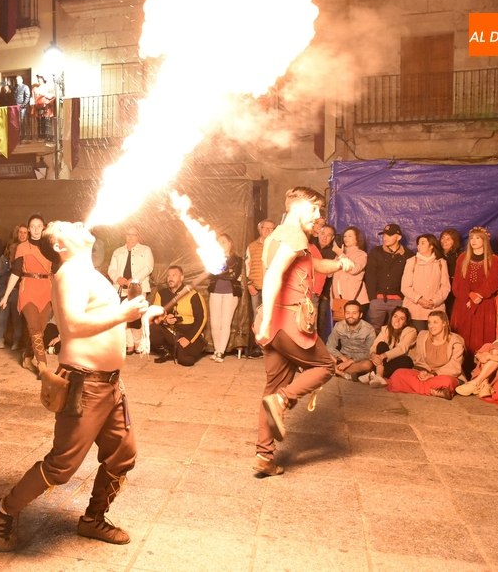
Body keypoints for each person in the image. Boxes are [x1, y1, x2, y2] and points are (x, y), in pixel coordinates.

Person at [0, 220, 163, 552]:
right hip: (84, 385)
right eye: (67, 227)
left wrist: (139, 312)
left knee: (122, 455)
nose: (78, 224)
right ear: (59, 246)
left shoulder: (91, 273)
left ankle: (93, 519)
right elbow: (70, 326)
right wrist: (122, 315)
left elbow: (104, 319)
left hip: (111, 386)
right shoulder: (68, 274)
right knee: (61, 466)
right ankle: (2, 510)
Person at [253, 187, 355, 477]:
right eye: (314, 210)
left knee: (271, 389)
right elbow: (272, 276)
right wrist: (268, 319)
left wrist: (338, 264)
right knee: (325, 365)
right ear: (297, 209)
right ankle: (283, 401)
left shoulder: (280, 236)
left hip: (274, 327)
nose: (319, 217)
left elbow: (313, 264)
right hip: (287, 321)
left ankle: (264, 456)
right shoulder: (294, 235)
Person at [1, 214, 52, 373]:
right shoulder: (22, 247)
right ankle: (43, 366)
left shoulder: (50, 246)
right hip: (28, 288)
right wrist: (6, 295)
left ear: (43, 228)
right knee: (34, 326)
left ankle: (27, 358)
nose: (36, 229)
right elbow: (16, 273)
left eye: (39, 226)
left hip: (46, 288)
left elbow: (57, 270)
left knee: (40, 330)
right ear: (29, 229)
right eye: (33, 226)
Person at [384, 311, 465, 399]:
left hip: (445, 375)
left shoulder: (456, 341)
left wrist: (434, 375)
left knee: (447, 381)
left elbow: (455, 366)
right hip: (427, 374)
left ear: (444, 323)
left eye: (435, 322)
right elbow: (419, 360)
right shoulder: (423, 336)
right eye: (429, 322)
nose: (431, 326)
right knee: (398, 374)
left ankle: (420, 388)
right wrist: (423, 372)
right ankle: (433, 391)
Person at [450, 227, 498, 363]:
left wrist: (478, 295)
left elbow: (495, 281)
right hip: (464, 303)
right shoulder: (462, 258)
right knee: (462, 336)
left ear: (484, 241)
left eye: (477, 238)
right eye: (471, 238)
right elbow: (457, 284)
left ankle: (479, 370)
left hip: (483, 304)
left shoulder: (493, 259)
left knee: (480, 337)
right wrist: (468, 297)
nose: (473, 241)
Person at [107, 226, 154, 354]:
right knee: (123, 315)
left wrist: (134, 279)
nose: (130, 237)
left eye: (134, 234)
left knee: (136, 315)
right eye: (128, 234)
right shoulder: (118, 252)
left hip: (138, 287)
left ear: (139, 236)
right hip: (120, 287)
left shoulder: (145, 250)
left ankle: (138, 342)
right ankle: (129, 344)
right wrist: (118, 278)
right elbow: (111, 269)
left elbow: (148, 267)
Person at [149, 265, 208, 366]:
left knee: (186, 361)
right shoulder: (161, 294)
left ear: (182, 278)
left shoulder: (193, 295)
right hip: (172, 332)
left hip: (189, 331)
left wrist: (188, 338)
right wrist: (165, 320)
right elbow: (154, 314)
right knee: (153, 327)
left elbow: (201, 319)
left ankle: (185, 349)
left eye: (174, 275)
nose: (170, 278)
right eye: (168, 276)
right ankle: (168, 351)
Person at [365, 224, 414, 333]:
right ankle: (373, 350)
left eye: (390, 235)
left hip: (398, 301)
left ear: (399, 237)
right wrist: (373, 297)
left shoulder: (408, 255)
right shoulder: (375, 252)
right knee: (373, 330)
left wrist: (402, 297)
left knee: (396, 330)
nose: (385, 238)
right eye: (384, 235)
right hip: (378, 299)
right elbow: (370, 275)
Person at [401, 233, 451, 331]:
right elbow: (405, 287)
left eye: (423, 243)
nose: (419, 246)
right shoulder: (411, 262)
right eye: (418, 243)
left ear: (431, 246)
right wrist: (419, 300)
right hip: (415, 310)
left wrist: (434, 301)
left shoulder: (441, 263)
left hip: (435, 310)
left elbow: (445, 287)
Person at [207, 234, 244, 362]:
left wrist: (222, 272)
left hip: (230, 293)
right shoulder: (212, 258)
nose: (221, 244)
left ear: (230, 243)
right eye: (219, 242)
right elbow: (212, 273)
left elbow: (234, 276)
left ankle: (221, 352)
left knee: (225, 323)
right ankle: (217, 350)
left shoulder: (237, 260)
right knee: (215, 324)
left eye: (223, 242)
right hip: (215, 292)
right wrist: (226, 271)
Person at [325, 300, 376, 382]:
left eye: (354, 313)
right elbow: (330, 346)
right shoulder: (339, 326)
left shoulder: (368, 329)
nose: (350, 316)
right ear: (344, 314)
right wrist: (342, 358)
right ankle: (344, 374)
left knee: (367, 365)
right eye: (348, 313)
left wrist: (351, 361)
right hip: (341, 358)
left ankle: (335, 370)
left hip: (358, 360)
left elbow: (369, 352)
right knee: (322, 352)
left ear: (360, 315)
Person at [367, 306, 417, 388]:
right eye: (395, 316)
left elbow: (401, 348)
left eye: (402, 318)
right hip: (385, 362)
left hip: (400, 360)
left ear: (405, 322)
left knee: (407, 360)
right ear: (391, 317)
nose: (397, 320)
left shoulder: (411, 331)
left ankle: (374, 375)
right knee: (381, 345)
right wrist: (373, 355)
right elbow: (375, 345)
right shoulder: (385, 329)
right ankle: (379, 376)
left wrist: (383, 356)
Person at [331, 226, 369, 317]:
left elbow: (354, 269)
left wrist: (340, 254)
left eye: (350, 236)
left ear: (357, 239)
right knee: (341, 328)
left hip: (355, 299)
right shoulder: (339, 255)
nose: (346, 238)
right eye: (345, 236)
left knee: (355, 328)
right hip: (339, 300)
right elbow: (329, 274)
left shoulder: (361, 254)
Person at [315, 223, 337, 341]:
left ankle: (320, 349)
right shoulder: (310, 248)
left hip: (323, 294)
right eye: (322, 233)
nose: (324, 237)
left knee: (321, 322)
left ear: (333, 238)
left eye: (329, 235)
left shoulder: (334, 253)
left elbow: (332, 277)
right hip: (307, 292)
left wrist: (326, 294)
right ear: (318, 233)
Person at [440, 228, 461, 317]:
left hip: (453, 289)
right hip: (437, 289)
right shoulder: (436, 254)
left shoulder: (459, 255)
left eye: (448, 239)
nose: (444, 241)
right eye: (443, 238)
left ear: (454, 241)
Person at [32, 74, 56, 140]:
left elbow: (53, 96)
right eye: (38, 79)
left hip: (46, 108)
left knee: (47, 121)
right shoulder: (35, 89)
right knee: (39, 122)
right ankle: (41, 136)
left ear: (43, 79)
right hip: (38, 108)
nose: (39, 80)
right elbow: (33, 98)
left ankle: (48, 136)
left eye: (40, 79)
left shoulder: (48, 87)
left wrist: (46, 100)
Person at [15, 75, 31, 140]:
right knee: (17, 121)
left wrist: (24, 104)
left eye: (18, 79)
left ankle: (23, 136)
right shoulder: (16, 88)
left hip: (23, 107)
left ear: (22, 80)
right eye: (16, 80)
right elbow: (14, 96)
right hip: (16, 106)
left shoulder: (25, 87)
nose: (17, 81)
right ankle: (18, 136)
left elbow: (27, 96)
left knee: (22, 121)